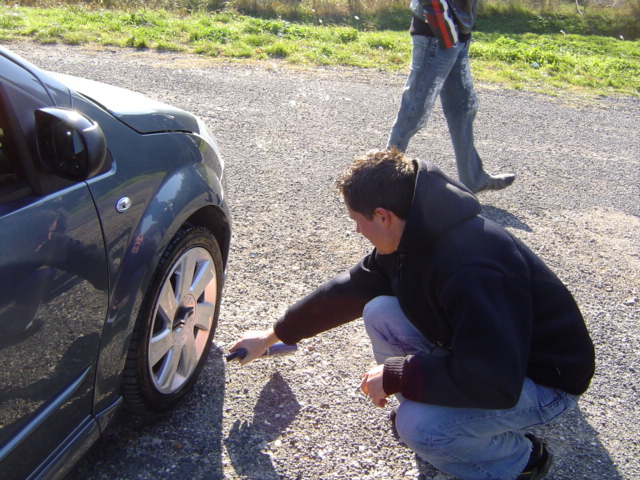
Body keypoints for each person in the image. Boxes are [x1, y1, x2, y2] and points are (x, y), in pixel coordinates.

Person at [230, 148, 595, 480]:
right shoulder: (414, 231)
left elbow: (496, 380)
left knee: (420, 427)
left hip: (539, 379)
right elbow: (348, 291)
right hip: (488, 357)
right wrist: (273, 335)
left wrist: (399, 374)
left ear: (383, 216)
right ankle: (437, 418)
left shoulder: (471, 267)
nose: (357, 230)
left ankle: (520, 460)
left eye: (357, 220)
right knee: (379, 310)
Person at [386, 0, 515, 194]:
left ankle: (473, 179)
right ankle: (382, 181)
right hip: (436, 33)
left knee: (463, 107)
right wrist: (447, 33)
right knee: (414, 111)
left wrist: (458, 35)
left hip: (456, 33)